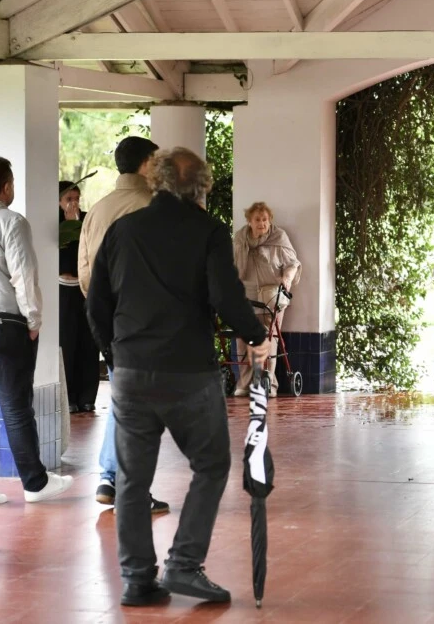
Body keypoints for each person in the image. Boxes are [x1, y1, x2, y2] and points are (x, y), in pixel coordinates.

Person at [87, 147, 270, 607]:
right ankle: (184, 565)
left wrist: (115, 353)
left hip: (131, 371)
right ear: (201, 187)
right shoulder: (208, 231)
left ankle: (137, 581)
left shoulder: (123, 229)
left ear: (156, 180)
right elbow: (225, 296)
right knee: (211, 465)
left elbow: (97, 303)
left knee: (131, 479)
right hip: (188, 372)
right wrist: (256, 335)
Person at [0, 157, 73, 507]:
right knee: (17, 407)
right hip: (4, 327)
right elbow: (24, 276)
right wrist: (33, 322)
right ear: (6, 186)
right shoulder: (11, 221)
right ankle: (35, 483)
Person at [78, 136, 168, 513]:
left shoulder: (97, 210)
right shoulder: (155, 208)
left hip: (110, 322)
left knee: (124, 400)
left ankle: (109, 477)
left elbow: (85, 273)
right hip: (147, 323)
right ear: (146, 165)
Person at [232, 202, 302, 397]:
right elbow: (231, 265)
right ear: (249, 221)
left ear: (270, 220)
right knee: (242, 338)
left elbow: (293, 263)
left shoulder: (279, 237)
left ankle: (269, 383)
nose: (262, 223)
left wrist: (287, 278)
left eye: (265, 219)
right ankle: (244, 383)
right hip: (246, 294)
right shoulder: (240, 238)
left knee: (269, 338)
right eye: (257, 220)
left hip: (271, 295)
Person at [59, 181, 100, 413]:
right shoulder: (55, 223)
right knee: (67, 341)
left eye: (76, 198)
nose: (74, 203)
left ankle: (87, 397)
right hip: (63, 288)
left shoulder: (85, 220)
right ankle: (70, 397)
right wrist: (68, 225)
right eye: (68, 199)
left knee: (88, 342)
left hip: (84, 287)